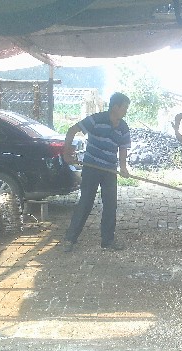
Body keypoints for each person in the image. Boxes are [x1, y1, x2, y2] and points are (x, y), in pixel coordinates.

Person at [61, 92, 131, 252]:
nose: (126, 111)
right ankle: (70, 239)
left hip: (109, 170)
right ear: (115, 107)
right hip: (91, 168)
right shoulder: (96, 119)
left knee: (110, 205)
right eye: (124, 107)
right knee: (85, 202)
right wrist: (66, 153)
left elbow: (123, 148)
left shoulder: (123, 127)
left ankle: (107, 241)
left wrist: (123, 167)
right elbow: (72, 130)